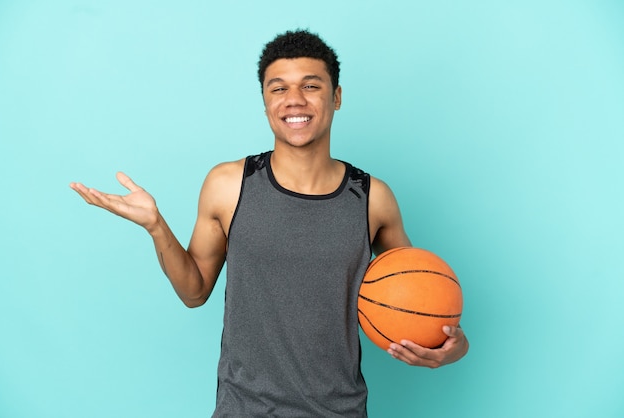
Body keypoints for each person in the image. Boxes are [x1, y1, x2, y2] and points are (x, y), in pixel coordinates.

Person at [70, 29, 468, 417]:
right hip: (244, 409)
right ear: (265, 102)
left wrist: (454, 346)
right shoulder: (228, 185)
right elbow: (194, 292)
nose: (294, 101)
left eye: (311, 86)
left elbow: (420, 297)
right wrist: (156, 226)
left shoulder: (372, 198)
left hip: (340, 409)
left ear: (337, 97)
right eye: (278, 89)